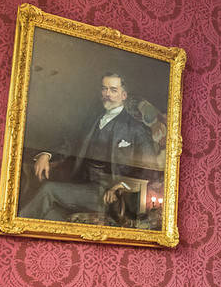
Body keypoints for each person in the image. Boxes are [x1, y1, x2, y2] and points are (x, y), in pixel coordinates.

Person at [19, 72, 158, 223]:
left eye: (113, 90)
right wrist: (46, 155)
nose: (107, 94)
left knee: (48, 191)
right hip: (83, 183)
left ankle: (18, 225)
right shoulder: (92, 120)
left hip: (113, 194)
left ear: (124, 95)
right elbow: (70, 144)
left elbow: (150, 169)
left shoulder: (137, 128)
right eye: (104, 89)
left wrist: (123, 185)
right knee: (49, 211)